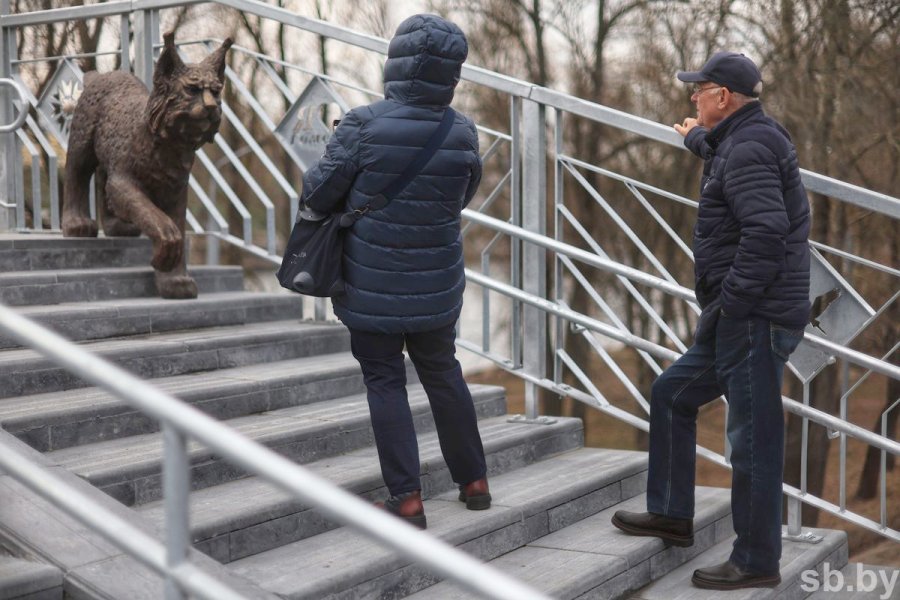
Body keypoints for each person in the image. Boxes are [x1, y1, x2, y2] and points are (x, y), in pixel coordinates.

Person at [611, 51, 811, 590]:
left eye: (698, 90)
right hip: (738, 314)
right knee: (673, 393)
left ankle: (756, 559)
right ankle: (673, 515)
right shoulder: (743, 138)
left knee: (752, 440)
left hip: (752, 316)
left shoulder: (747, 148)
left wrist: (734, 302)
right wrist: (694, 136)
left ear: (723, 97)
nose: (691, 97)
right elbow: (723, 154)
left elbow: (766, 231)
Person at [298, 14, 488, 530]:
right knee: (444, 372)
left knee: (385, 381)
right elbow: (461, 198)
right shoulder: (462, 130)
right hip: (438, 281)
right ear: (452, 71)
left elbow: (317, 194)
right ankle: (474, 482)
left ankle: (406, 498)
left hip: (371, 280)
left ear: (396, 63)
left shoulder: (362, 124)